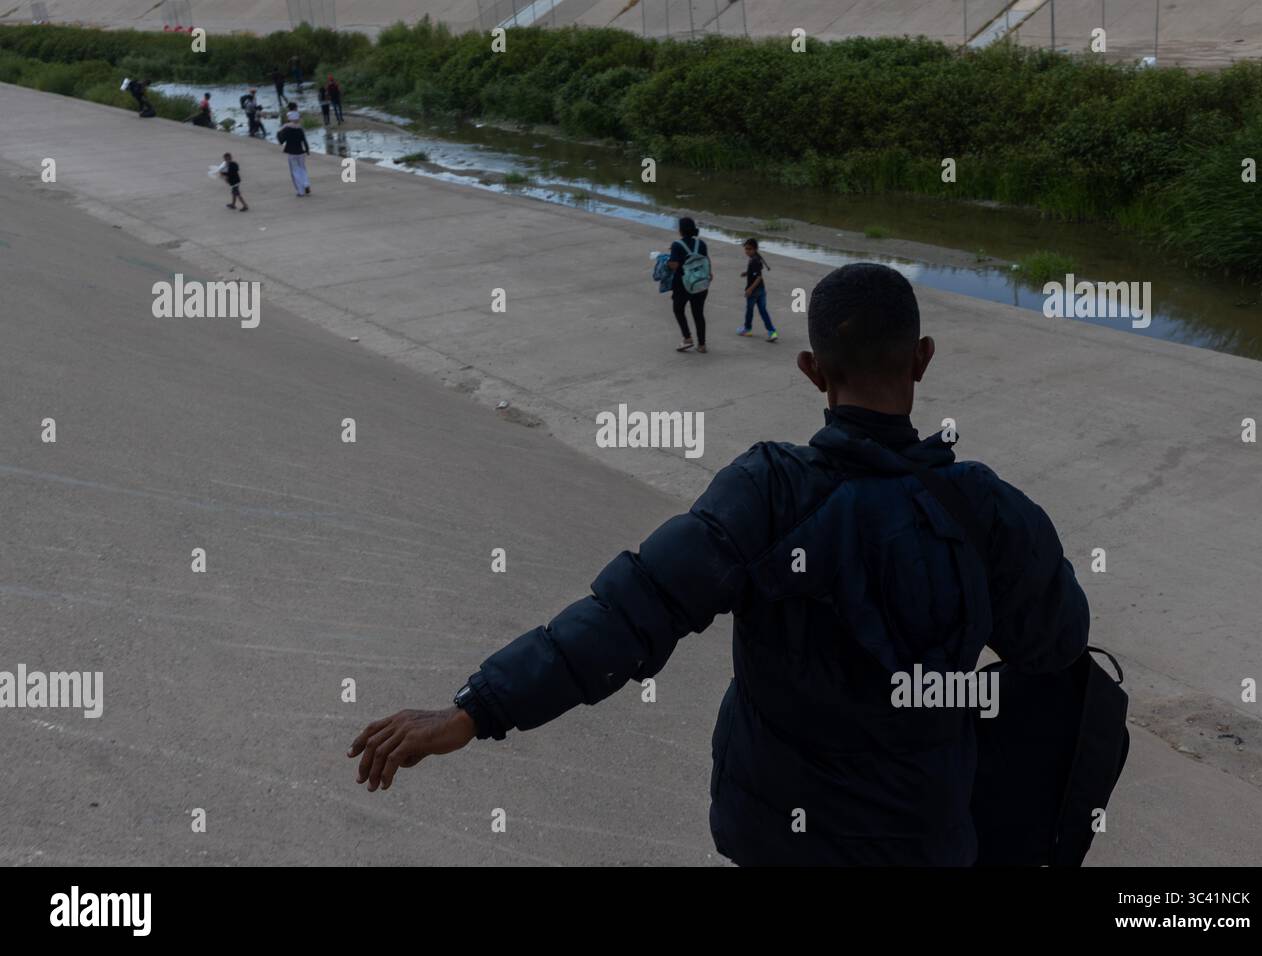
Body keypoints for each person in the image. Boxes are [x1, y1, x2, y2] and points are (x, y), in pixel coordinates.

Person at [347, 263, 1090, 866]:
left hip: (774, 830)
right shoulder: (985, 510)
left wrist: (475, 709)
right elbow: (1053, 648)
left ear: (811, 371)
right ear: (922, 361)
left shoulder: (768, 490)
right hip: (923, 834)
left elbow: (628, 614)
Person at [667, 216, 711, 353]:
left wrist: (667, 263)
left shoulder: (676, 245)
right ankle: (702, 345)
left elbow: (674, 265)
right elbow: (707, 262)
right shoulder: (701, 244)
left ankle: (687, 338)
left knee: (678, 309)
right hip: (701, 284)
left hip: (683, 285)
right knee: (698, 314)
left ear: (680, 230)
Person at [737, 238, 778, 342]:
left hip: (755, 291)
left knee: (749, 311)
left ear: (755, 249)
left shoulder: (754, 260)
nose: (747, 251)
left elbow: (758, 276)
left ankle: (747, 329)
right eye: (746, 249)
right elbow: (755, 271)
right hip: (761, 290)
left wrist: (749, 289)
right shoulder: (756, 258)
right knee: (763, 311)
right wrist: (746, 273)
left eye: (749, 249)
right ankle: (772, 332)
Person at [276, 112, 311, 197]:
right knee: (303, 169)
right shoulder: (300, 128)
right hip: (301, 152)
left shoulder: (287, 128)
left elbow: (281, 141)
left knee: (295, 171)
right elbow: (304, 140)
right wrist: (307, 150)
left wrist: (278, 133)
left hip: (292, 153)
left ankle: (300, 191)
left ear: (289, 118)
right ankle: (306, 183)